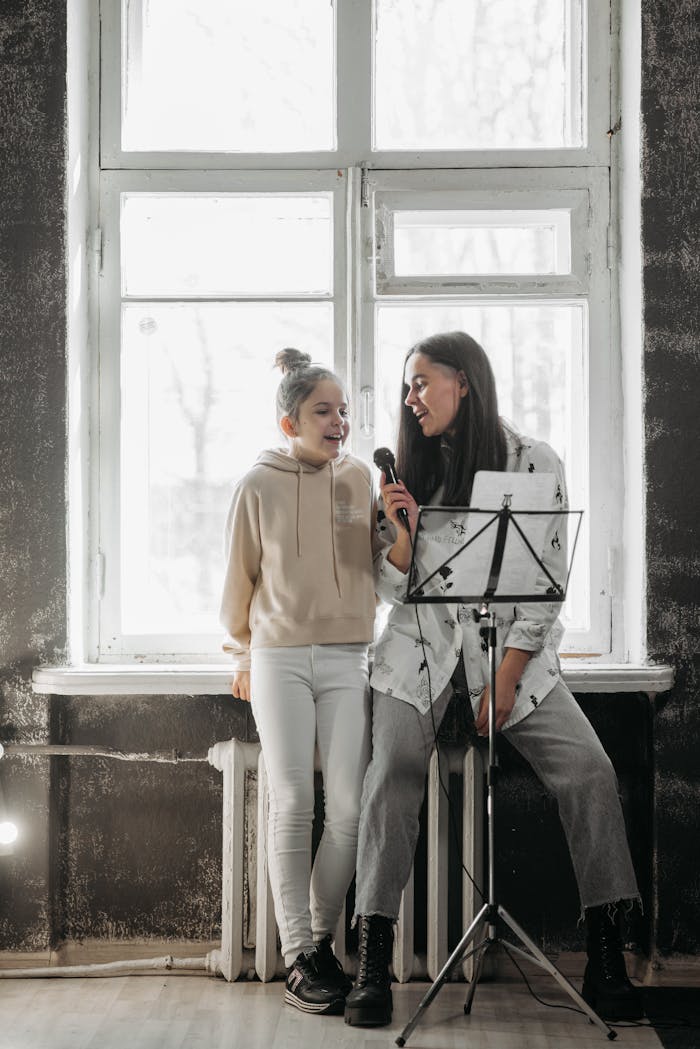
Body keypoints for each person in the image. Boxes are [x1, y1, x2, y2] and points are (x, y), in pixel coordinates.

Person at [344, 331, 643, 1027]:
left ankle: (606, 953)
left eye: (422, 382)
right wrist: (405, 536)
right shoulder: (400, 473)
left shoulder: (536, 463)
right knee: (391, 769)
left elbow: (547, 585)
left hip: (513, 656)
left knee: (592, 770)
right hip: (417, 656)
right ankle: (372, 959)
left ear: (464, 382)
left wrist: (506, 676)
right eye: (406, 386)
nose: (410, 398)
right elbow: (392, 588)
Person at [220, 348, 376, 1015]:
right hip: (279, 656)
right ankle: (298, 958)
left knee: (347, 807)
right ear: (290, 421)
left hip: (347, 657)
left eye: (343, 410)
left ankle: (315, 943)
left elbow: (383, 566)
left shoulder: (360, 479)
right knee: (292, 801)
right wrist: (241, 651)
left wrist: (401, 532)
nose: (338, 421)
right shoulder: (258, 483)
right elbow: (240, 577)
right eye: (323, 410)